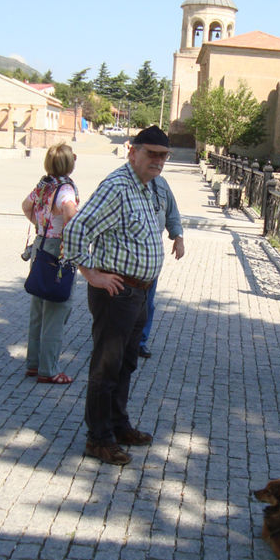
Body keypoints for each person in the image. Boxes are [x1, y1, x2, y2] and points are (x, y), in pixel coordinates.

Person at [63, 125, 179, 467]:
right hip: (116, 292)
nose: (158, 161)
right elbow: (76, 229)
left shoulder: (148, 186)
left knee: (125, 364)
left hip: (138, 293)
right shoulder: (117, 186)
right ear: (133, 152)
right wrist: (90, 273)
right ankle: (98, 439)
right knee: (106, 366)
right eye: (151, 154)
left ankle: (117, 424)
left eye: (163, 156)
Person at [22, 143, 79, 385]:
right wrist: (74, 236)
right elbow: (70, 213)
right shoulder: (65, 189)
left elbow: (26, 205)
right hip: (57, 251)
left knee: (38, 309)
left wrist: (40, 224)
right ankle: (49, 369)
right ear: (68, 163)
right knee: (56, 310)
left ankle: (34, 364)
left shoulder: (44, 185)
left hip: (40, 247)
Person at [139, 174, 184, 358]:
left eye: (163, 157)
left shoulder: (162, 183)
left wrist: (178, 237)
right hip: (126, 256)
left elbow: (172, 213)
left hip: (152, 256)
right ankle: (115, 340)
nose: (158, 162)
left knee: (147, 303)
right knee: (123, 301)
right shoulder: (120, 182)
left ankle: (140, 341)